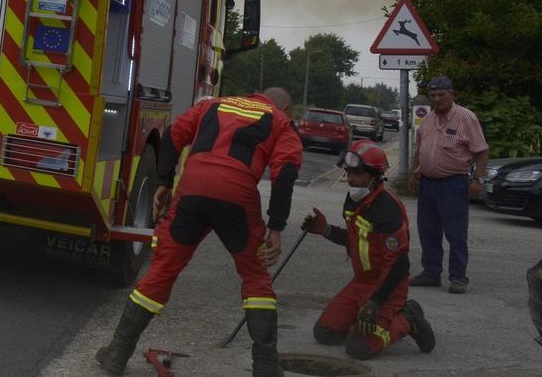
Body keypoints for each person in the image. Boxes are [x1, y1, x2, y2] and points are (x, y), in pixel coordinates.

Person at [95, 87, 302, 376]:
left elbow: (172, 134)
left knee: (162, 271)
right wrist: (276, 227)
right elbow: (287, 173)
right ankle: (266, 365)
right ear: (285, 107)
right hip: (238, 196)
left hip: (193, 189)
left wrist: (164, 182)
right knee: (255, 276)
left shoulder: (214, 105)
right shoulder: (280, 122)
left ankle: (118, 352)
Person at [302, 140, 436, 360]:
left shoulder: (387, 208)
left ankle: (408, 318)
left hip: (388, 288)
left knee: (359, 349)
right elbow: (357, 241)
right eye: (348, 173)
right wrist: (324, 230)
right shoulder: (354, 200)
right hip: (361, 282)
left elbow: (399, 262)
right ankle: (363, 318)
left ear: (375, 175)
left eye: (357, 173)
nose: (350, 179)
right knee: (325, 333)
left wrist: (375, 302)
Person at [407, 76, 488, 294]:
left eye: (442, 95)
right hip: (428, 185)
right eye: (433, 95)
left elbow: (482, 151)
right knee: (428, 230)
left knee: (455, 232)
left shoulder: (466, 118)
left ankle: (458, 277)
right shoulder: (429, 119)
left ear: (452, 94)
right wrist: (414, 174)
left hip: (454, 184)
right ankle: (431, 273)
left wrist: (478, 180)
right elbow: (420, 148)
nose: (437, 99)